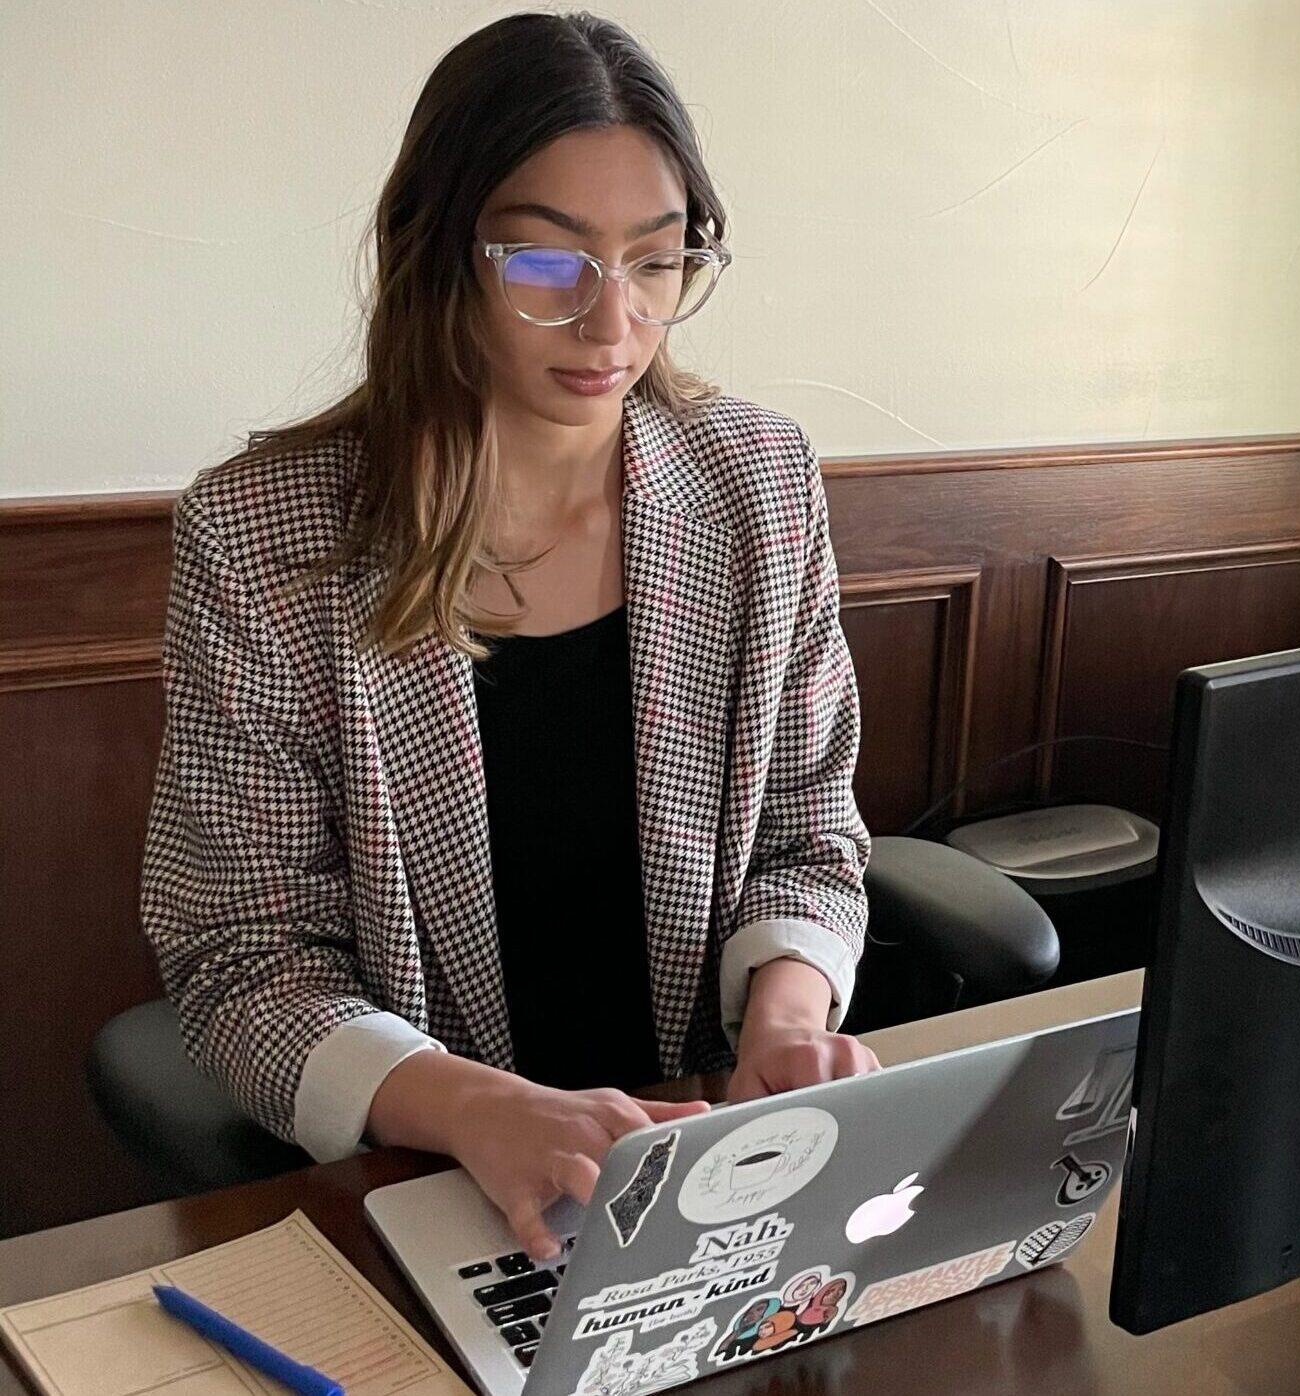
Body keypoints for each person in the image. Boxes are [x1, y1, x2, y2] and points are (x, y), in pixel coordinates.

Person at [138, 10, 877, 1259]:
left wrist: (786, 1018)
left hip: (699, 1166)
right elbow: (239, 957)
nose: (611, 326)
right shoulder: (264, 534)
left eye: (656, 261)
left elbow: (811, 833)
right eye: (546, 265)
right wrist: (482, 1108)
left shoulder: (756, 480)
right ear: (439, 258)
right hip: (426, 1173)